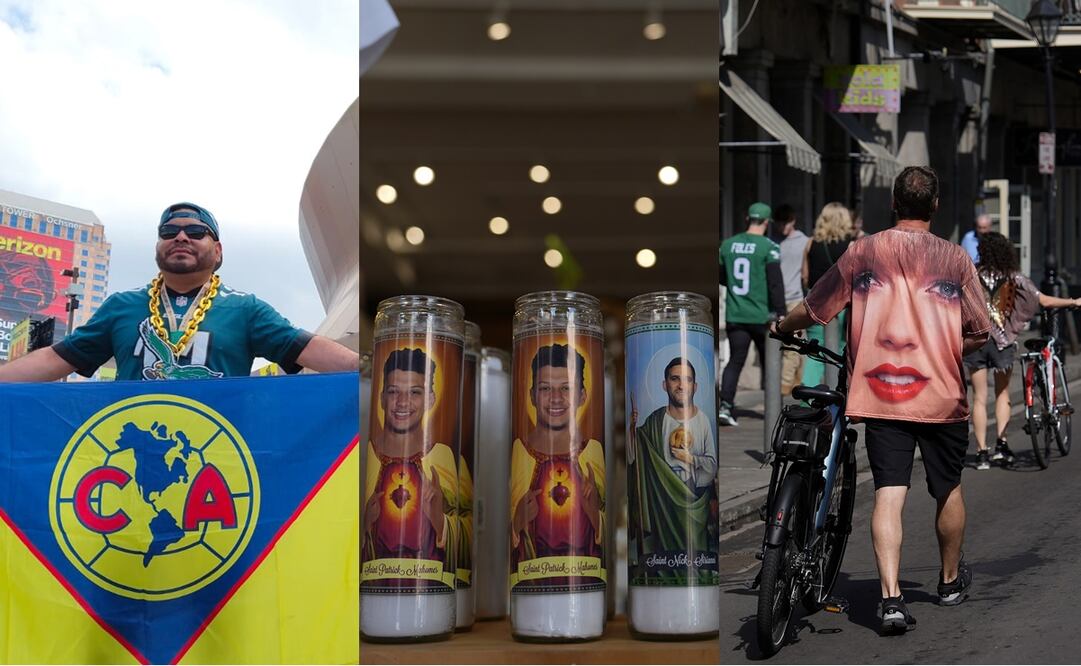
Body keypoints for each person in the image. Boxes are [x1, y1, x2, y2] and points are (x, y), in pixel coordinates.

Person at [775, 166, 991, 635]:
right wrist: (947, 347)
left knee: (888, 495)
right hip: (940, 394)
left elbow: (816, 306)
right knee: (947, 488)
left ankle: (890, 600)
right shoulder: (954, 259)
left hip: (879, 394)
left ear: (893, 204)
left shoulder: (863, 251)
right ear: (935, 207)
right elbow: (979, 329)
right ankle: (950, 582)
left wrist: (781, 327)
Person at [0, 202, 359, 381]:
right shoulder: (121, 306)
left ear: (217, 251)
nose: (181, 237)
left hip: (217, 460)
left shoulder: (246, 309)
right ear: (158, 246)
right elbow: (55, 359)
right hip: (129, 455)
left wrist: (379, 372)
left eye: (196, 231)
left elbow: (307, 348)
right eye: (169, 232)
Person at [966, 232, 1081, 470]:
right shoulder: (1014, 277)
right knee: (1002, 394)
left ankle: (981, 453)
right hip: (1003, 342)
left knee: (978, 398)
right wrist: (1073, 302)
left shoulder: (972, 275)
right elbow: (1043, 301)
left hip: (976, 341)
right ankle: (1001, 444)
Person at [362, 348, 457, 578]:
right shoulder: (366, 456)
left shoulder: (441, 457)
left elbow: (466, 534)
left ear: (430, 399)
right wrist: (366, 524)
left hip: (429, 581)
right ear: (382, 397)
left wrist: (439, 519)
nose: (403, 402)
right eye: (394, 392)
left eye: (415, 393)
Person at [510, 344, 605, 567]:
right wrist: (517, 523)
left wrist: (594, 514)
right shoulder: (520, 452)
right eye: (545, 389)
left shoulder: (592, 452)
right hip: (532, 576)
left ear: (582, 395)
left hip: (582, 575)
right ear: (532, 395)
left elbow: (606, 536)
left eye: (566, 389)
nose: (556, 398)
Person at [627, 357, 717, 580]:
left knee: (695, 560)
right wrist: (631, 431)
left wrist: (691, 459)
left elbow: (712, 466)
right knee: (662, 559)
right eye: (674, 379)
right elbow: (636, 458)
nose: (681, 385)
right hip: (662, 505)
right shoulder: (655, 421)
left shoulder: (702, 420)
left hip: (692, 500)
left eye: (687, 380)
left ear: (695, 386)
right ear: (664, 384)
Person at [718, 202, 785, 426]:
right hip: (761, 315)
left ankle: (725, 406)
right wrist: (781, 312)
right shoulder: (769, 246)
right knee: (771, 363)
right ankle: (773, 408)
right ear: (766, 222)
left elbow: (722, 276)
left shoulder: (727, 245)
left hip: (736, 313)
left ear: (747, 219)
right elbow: (775, 283)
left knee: (735, 361)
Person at [800, 202, 854, 388]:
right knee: (839, 349)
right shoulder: (852, 246)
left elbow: (805, 277)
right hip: (842, 305)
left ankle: (807, 396)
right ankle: (837, 392)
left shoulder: (810, 243)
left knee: (814, 350)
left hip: (816, 302)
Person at [774, 204, 808, 395]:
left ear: (793, 221)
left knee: (794, 344)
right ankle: (792, 383)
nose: (782, 227)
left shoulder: (804, 241)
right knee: (787, 345)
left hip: (795, 298)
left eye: (785, 223)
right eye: (779, 223)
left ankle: (785, 386)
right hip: (778, 299)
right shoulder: (772, 241)